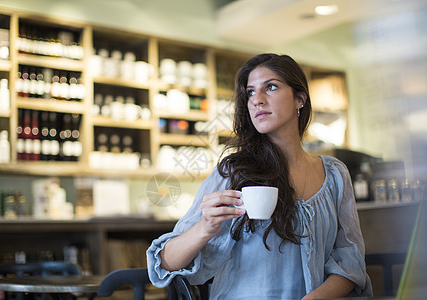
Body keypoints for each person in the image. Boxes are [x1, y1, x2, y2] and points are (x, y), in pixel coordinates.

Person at [146, 53, 372, 299]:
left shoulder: (336, 175)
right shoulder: (234, 172)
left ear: (300, 99)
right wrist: (206, 227)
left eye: (271, 87)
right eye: (250, 92)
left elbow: (350, 261)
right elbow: (164, 263)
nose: (256, 100)